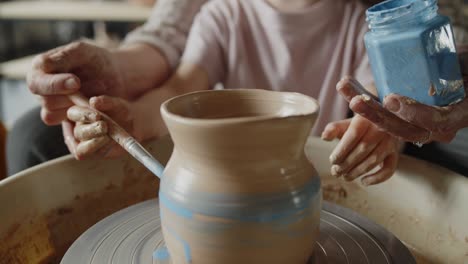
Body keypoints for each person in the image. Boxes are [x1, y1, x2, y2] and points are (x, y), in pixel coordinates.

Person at [62, 0, 401, 186]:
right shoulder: (224, 14)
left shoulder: (361, 23)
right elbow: (179, 89)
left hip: (308, 182)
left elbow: (373, 101)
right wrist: (132, 119)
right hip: (229, 180)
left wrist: (376, 129)